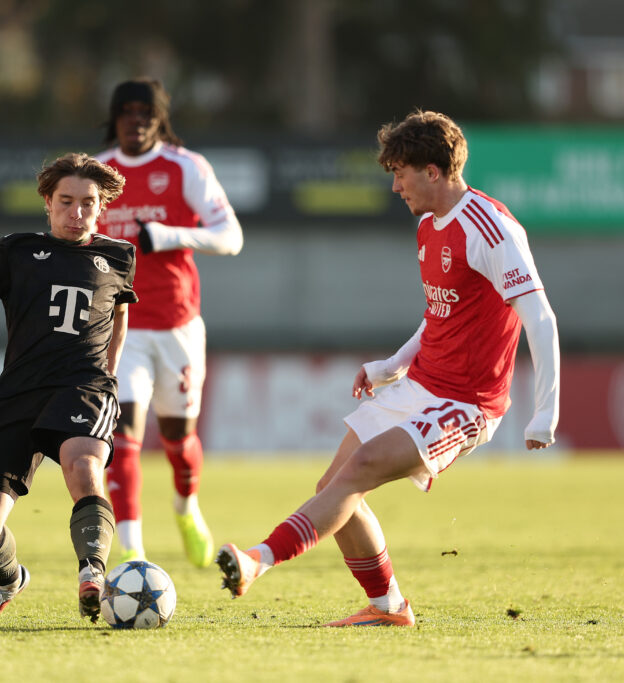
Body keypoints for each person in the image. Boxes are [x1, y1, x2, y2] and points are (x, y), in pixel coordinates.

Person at [215, 110, 560, 627]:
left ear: (434, 172)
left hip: (466, 403)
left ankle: (256, 561)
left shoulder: (491, 229)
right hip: (419, 385)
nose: (395, 186)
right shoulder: (427, 226)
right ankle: (389, 606)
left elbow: (540, 315)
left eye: (401, 173)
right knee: (334, 489)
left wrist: (545, 412)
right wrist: (391, 366)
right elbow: (439, 313)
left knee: (358, 473)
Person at [0, 152, 136, 624]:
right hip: (17, 392)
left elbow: (120, 315)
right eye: (66, 201)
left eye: (87, 203)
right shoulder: (16, 249)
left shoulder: (119, 256)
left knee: (82, 465)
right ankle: (9, 579)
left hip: (83, 384)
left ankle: (93, 571)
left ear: (100, 206)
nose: (77, 213)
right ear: (48, 201)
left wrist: (109, 374)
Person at [94, 78, 243, 568]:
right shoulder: (98, 172)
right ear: (114, 118)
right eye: (127, 111)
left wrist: (169, 234)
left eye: (145, 112)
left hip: (179, 326)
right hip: (123, 327)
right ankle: (133, 549)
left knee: (179, 440)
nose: (135, 120)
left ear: (159, 119)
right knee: (124, 436)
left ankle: (186, 507)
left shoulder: (186, 167)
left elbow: (231, 237)